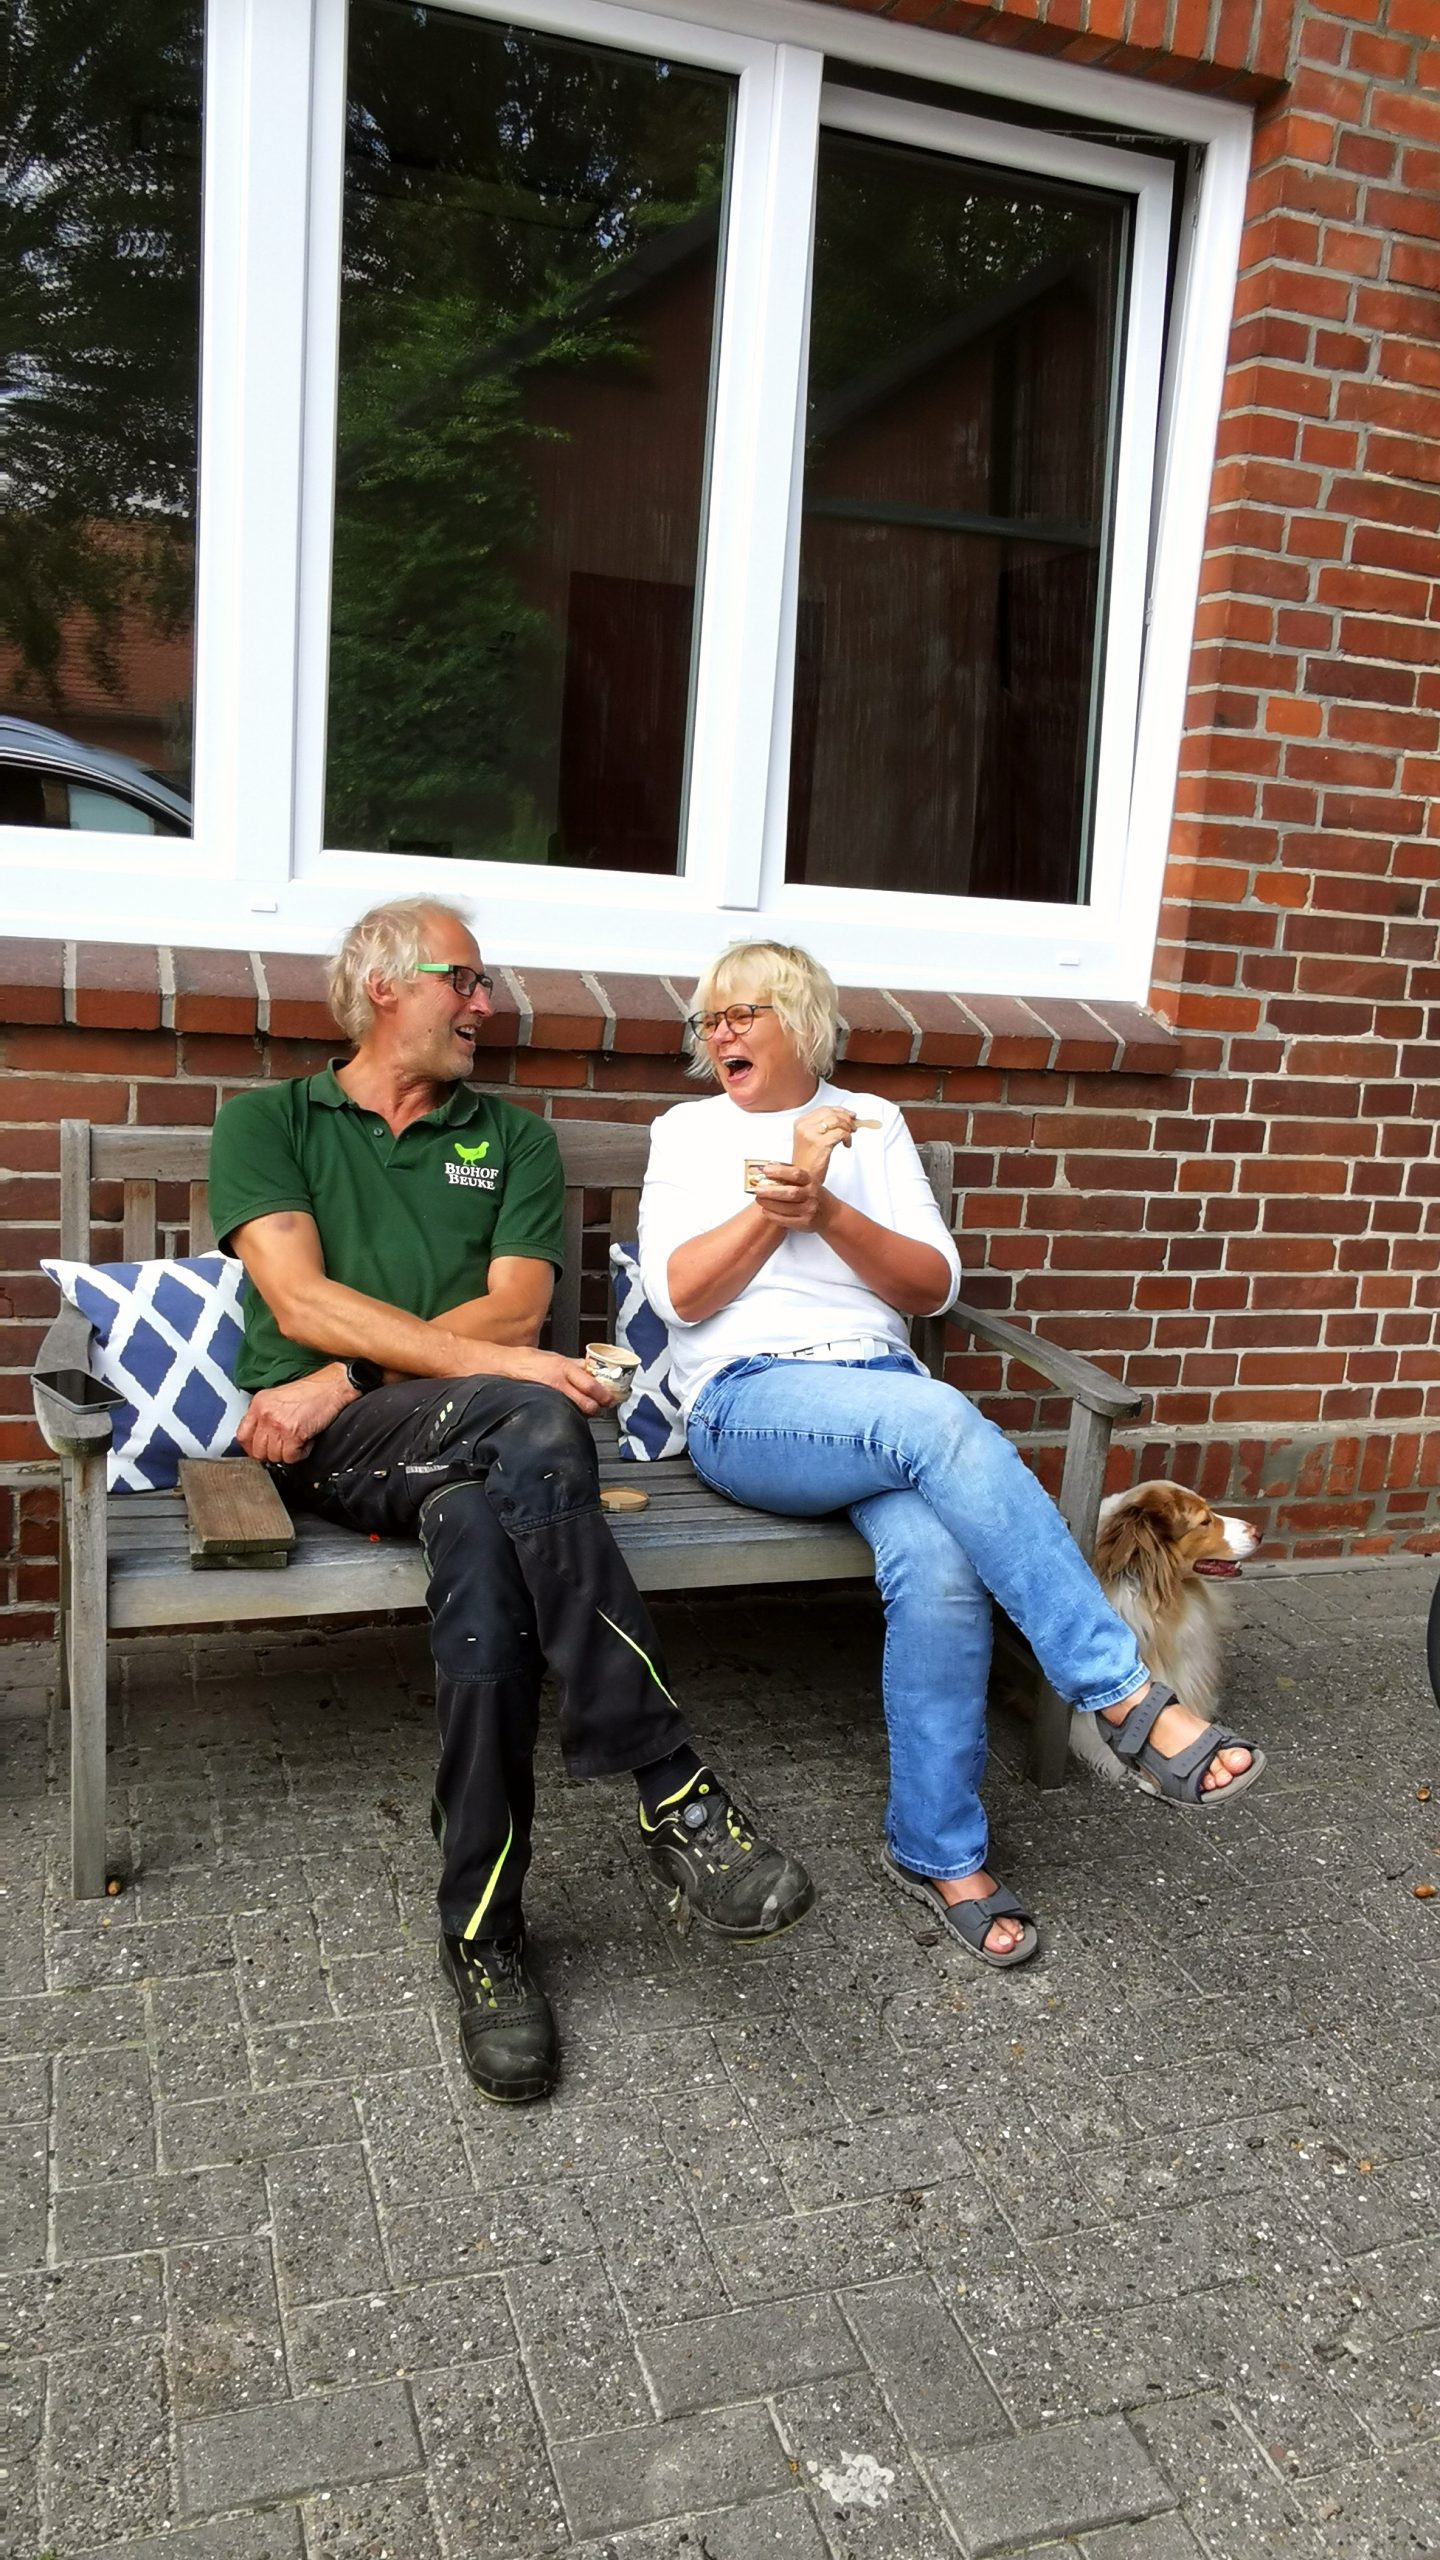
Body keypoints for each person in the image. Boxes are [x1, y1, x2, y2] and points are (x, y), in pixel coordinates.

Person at [208, 898, 814, 2104]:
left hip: (442, 1438)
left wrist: (352, 1370)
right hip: (332, 1454)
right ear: (385, 985)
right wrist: (350, 1377)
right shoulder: (268, 1122)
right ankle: (668, 1785)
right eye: (467, 980)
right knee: (537, 1415)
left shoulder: (513, 1140)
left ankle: (484, 1936)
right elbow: (299, 1300)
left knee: (489, 1552)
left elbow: (517, 1312)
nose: (489, 1004)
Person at [637, 940, 1264, 1968]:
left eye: (743, 1012)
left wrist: (831, 1209)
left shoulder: (874, 1123)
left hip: (885, 1399)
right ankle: (1121, 1695)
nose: (721, 1033)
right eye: (709, 1019)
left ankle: (938, 1852)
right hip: (750, 1405)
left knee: (937, 1563)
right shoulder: (687, 1132)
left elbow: (930, 1288)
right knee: (942, 1419)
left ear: (803, 1020)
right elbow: (681, 1296)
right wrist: (778, 1202)